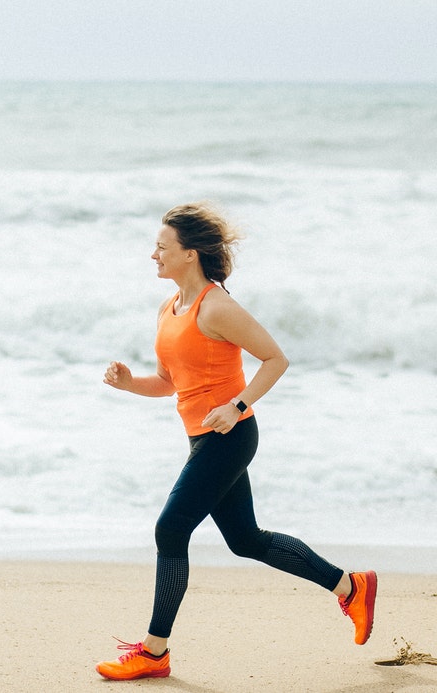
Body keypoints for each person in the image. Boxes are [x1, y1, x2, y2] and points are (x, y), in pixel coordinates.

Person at [95, 202, 377, 681]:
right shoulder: (170, 308)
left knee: (170, 528)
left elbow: (275, 359)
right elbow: (169, 381)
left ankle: (154, 652)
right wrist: (128, 384)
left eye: (162, 247)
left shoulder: (218, 306)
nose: (153, 255)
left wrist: (238, 406)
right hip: (202, 438)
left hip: (229, 436)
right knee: (246, 541)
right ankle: (350, 587)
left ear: (190, 254)